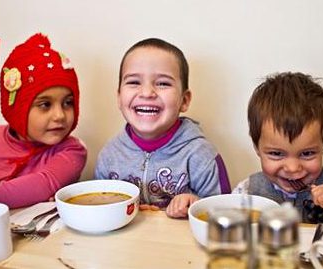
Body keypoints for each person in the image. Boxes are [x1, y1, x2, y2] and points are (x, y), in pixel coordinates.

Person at [94, 38, 231, 218]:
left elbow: (224, 215)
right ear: (119, 97)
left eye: (163, 83)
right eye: (134, 82)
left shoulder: (201, 155)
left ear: (184, 100)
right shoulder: (109, 155)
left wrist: (194, 204)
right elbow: (98, 209)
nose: (147, 93)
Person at [0, 33, 87, 210]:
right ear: (17, 110)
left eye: (68, 103)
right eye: (45, 104)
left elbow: (42, 184)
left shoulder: (73, 151)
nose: (59, 115)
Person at [233, 72, 323, 228]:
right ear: (257, 148)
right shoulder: (247, 191)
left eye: (307, 153)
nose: (293, 168)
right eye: (276, 154)